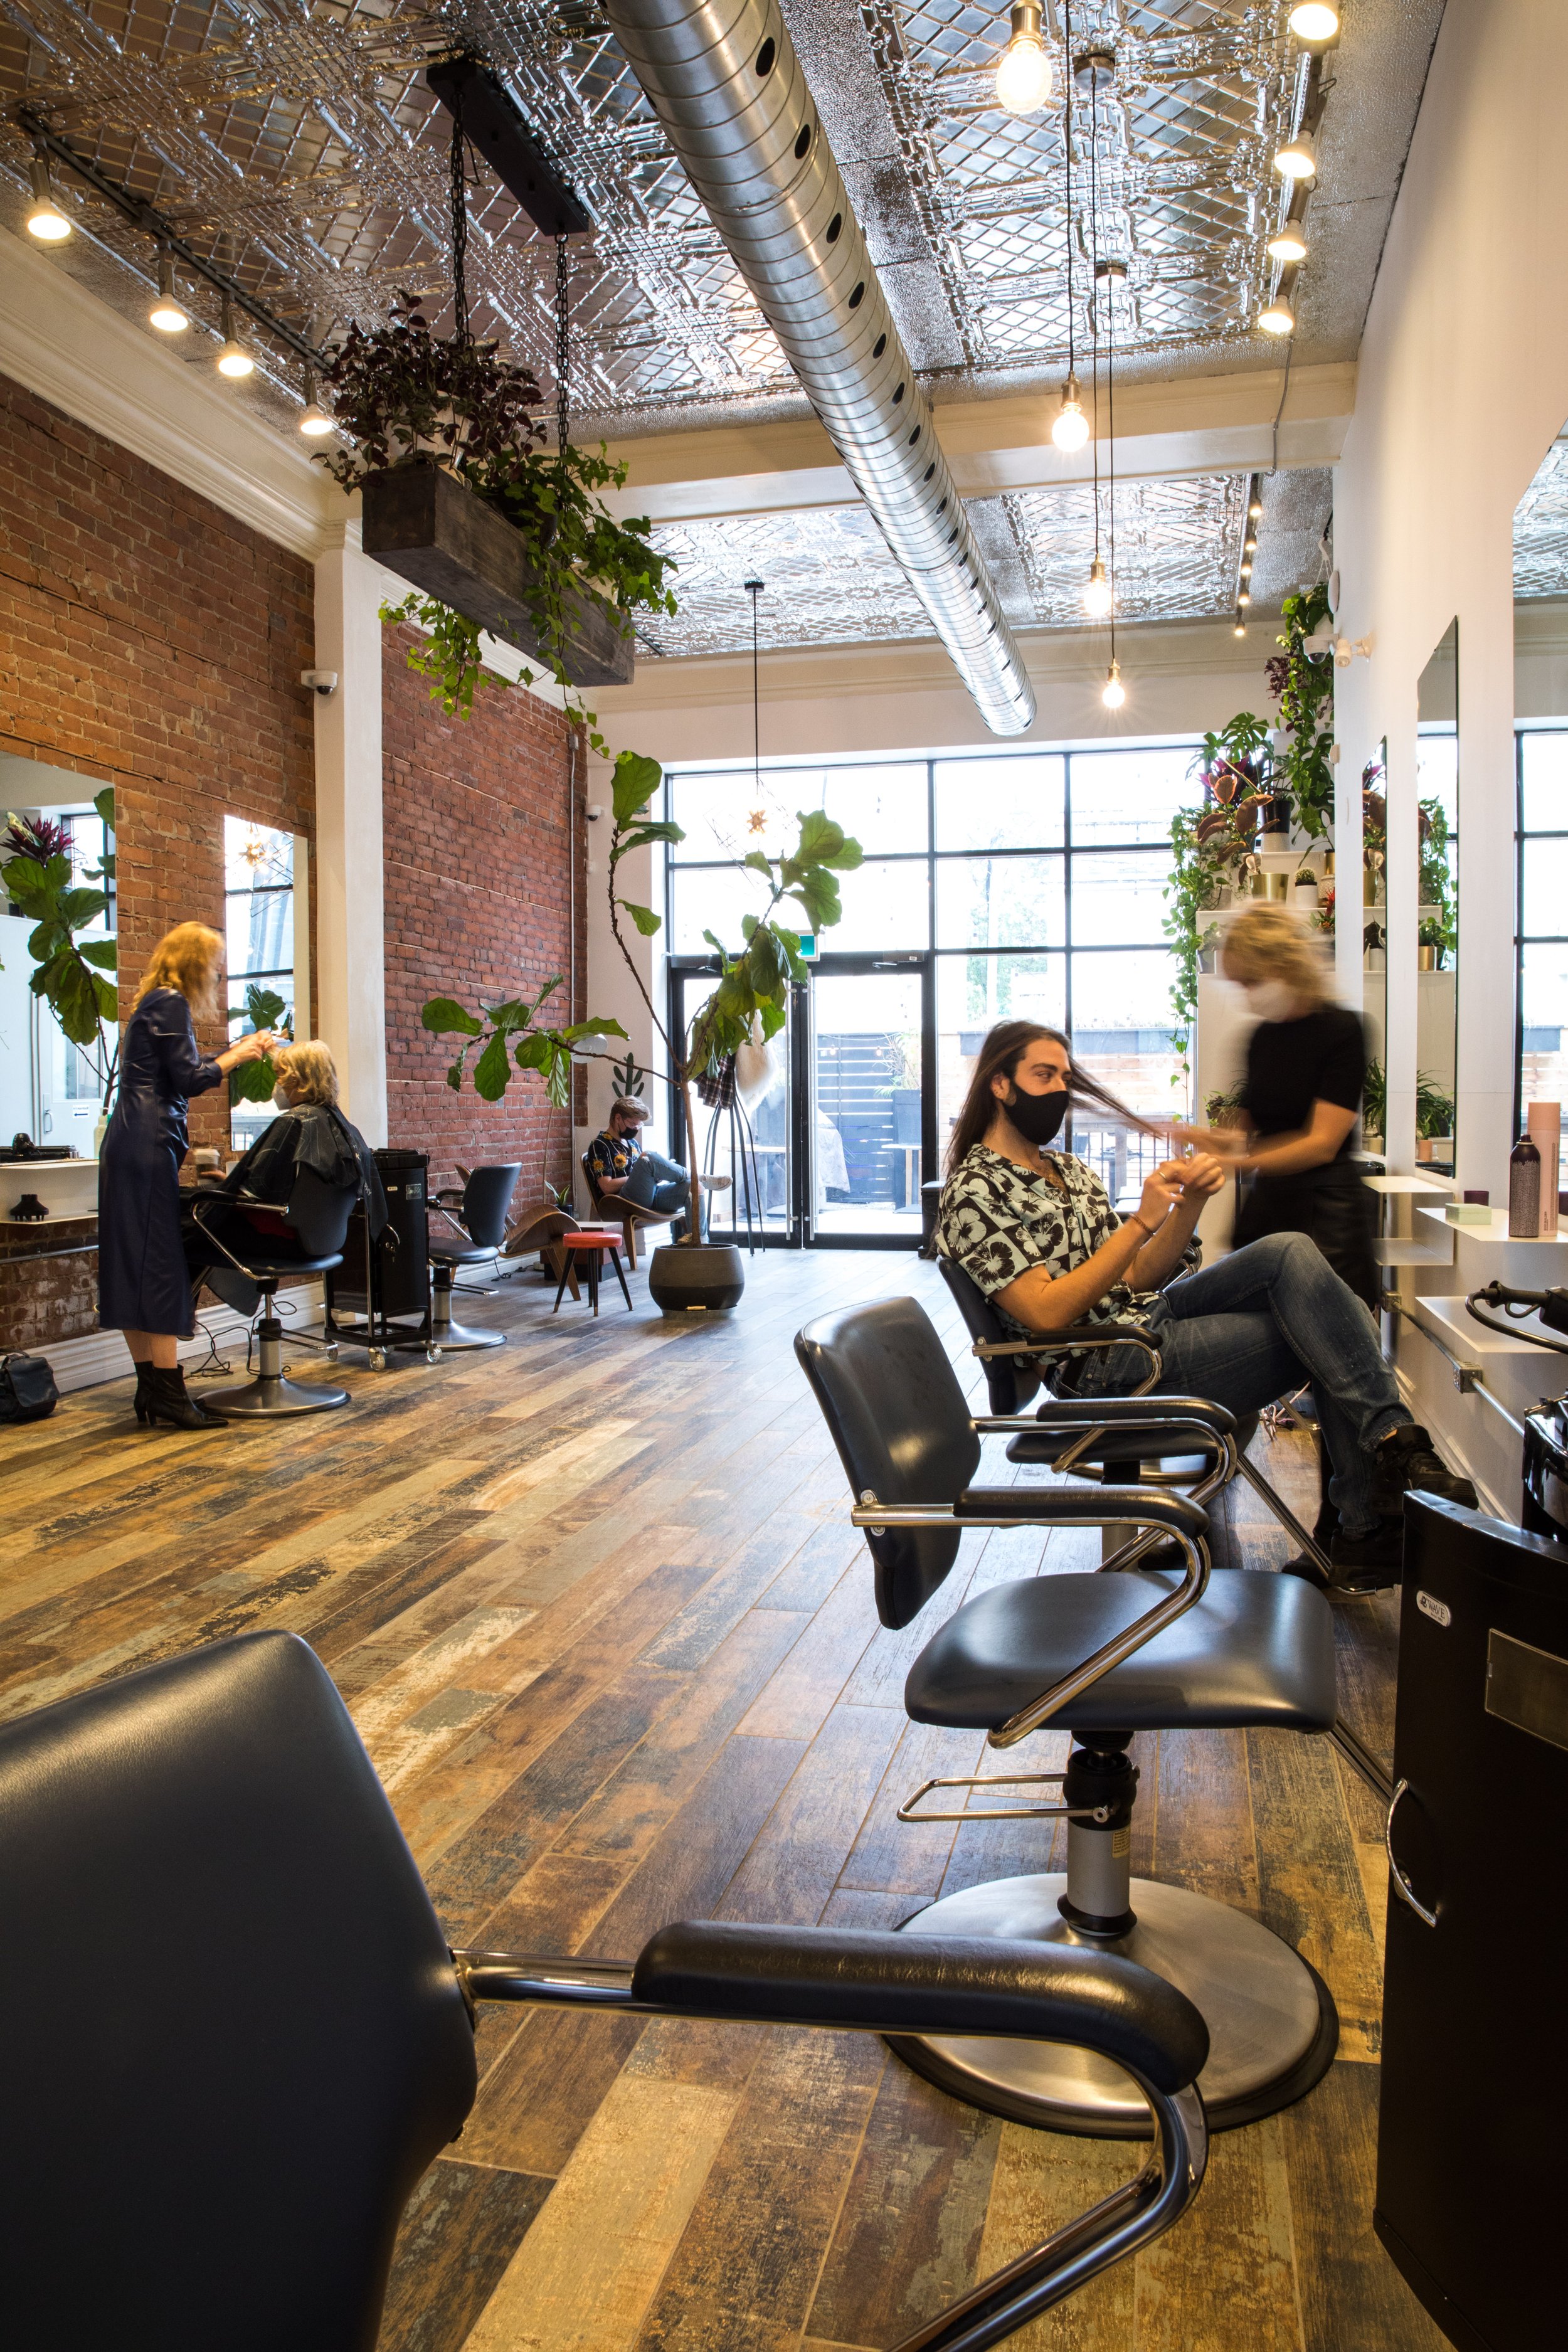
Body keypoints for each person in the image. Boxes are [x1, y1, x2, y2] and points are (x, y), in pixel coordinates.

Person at [935, 1020, 1476, 1589]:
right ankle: (1372, 1512)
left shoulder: (1067, 1171)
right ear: (1000, 1084)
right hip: (1103, 1364)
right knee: (1329, 1328)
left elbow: (1140, 1276)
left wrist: (1188, 1205)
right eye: (1043, 1075)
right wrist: (1143, 1219)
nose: (1059, 1090)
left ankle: (1385, 1465)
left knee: (1290, 1251)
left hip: (1144, 1322)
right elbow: (1045, 1313)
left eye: (1065, 1077)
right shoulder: (974, 1191)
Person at [98, 922, 274, 1430]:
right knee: (157, 1264)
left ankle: (151, 1391)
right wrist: (237, 1054)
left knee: (130, 1263)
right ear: (196, 962)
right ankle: (170, 1397)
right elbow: (190, 1079)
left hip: (127, 1143)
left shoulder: (150, 1002)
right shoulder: (171, 1003)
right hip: (148, 1144)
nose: (220, 974)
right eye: (216, 964)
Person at [1177, 904, 1378, 1309]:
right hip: (1269, 1209)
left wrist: (1238, 1161)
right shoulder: (1260, 1038)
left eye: (1251, 981)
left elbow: (1321, 1143)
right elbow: (1244, 1131)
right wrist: (1204, 1139)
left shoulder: (1343, 1031)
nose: (1247, 995)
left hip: (1326, 1218)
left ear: (1285, 965)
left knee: (1329, 1339)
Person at [183, 1038, 388, 1321]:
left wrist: (226, 1188)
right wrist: (231, 1180)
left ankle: (175, 1316)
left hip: (283, 1242)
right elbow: (290, 1187)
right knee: (195, 1214)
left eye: (281, 1074)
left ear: (299, 1079)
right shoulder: (344, 1126)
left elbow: (259, 1192)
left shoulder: (294, 1122)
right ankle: (179, 1316)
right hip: (324, 1240)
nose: (277, 1083)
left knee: (186, 1222)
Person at [585, 1097, 693, 1234]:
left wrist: (650, 1176)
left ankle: (701, 1243)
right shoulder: (600, 1145)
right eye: (633, 1124)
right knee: (648, 1157)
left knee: (693, 1187)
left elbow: (642, 1176)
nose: (636, 1129)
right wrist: (638, 1174)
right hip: (622, 1202)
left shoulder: (632, 1144)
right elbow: (607, 1186)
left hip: (647, 1196)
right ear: (618, 1118)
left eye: (639, 1125)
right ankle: (693, 1174)